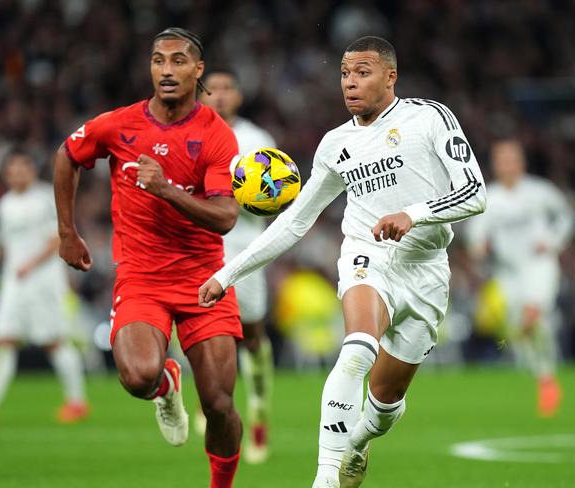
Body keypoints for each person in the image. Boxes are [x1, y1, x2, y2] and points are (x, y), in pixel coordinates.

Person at [199, 36, 487, 488]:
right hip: (367, 255)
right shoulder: (336, 145)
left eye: (363, 72)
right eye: (345, 73)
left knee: (385, 405)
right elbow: (295, 221)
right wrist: (228, 273)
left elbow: (475, 193)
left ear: (390, 76)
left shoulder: (428, 117)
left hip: (428, 268)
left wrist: (412, 215)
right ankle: (325, 477)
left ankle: (358, 443)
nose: (350, 83)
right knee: (356, 349)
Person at [53, 28, 243, 488]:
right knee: (138, 376)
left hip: (205, 279)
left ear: (198, 71)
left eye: (178, 61)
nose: (166, 70)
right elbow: (67, 154)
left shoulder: (217, 136)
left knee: (218, 404)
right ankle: (165, 385)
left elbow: (225, 217)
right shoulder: (119, 124)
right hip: (142, 277)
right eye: (158, 61)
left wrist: (164, 189)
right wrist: (66, 231)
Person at [0, 150, 89, 423]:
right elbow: (7, 245)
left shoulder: (45, 198)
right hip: (14, 281)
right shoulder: (4, 204)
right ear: (6, 174)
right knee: (3, 339)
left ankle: (77, 402)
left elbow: (59, 238)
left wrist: (30, 265)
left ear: (32, 170)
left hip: (43, 282)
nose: (18, 173)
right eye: (13, 169)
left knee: (53, 342)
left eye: (23, 167)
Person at [200, 68, 276, 464]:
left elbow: (279, 193)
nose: (220, 96)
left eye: (228, 88)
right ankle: (211, 403)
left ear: (239, 96)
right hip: (201, 247)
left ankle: (260, 414)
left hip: (246, 246)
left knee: (251, 333)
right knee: (201, 331)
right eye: (212, 89)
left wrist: (250, 195)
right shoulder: (191, 133)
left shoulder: (256, 140)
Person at [466, 138, 571, 417]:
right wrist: (479, 247)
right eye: (502, 160)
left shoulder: (540, 191)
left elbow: (565, 217)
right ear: (495, 165)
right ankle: (545, 378)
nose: (507, 165)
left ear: (521, 162)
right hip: (507, 273)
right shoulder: (490, 198)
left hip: (539, 265)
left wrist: (552, 241)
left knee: (531, 315)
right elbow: (475, 236)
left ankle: (546, 377)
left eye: (512, 159)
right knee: (524, 330)